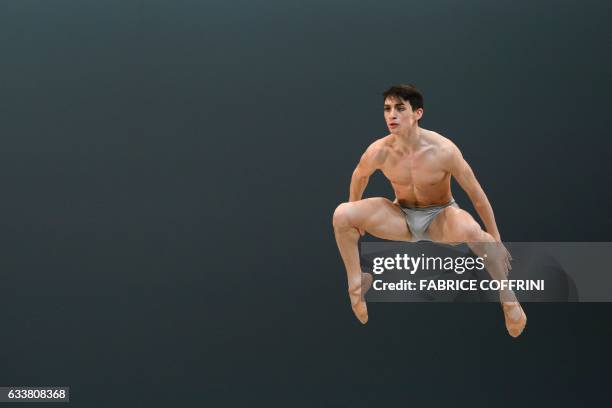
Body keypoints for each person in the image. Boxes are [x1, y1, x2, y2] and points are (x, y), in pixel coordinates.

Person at [332, 84, 527, 337]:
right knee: (342, 214)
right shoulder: (379, 151)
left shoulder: (443, 150)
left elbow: (477, 195)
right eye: (387, 109)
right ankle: (357, 283)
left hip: (440, 217)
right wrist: (354, 212)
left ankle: (508, 298)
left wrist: (497, 239)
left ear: (418, 113)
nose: (391, 115)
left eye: (400, 109)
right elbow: (359, 177)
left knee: (474, 232)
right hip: (400, 216)